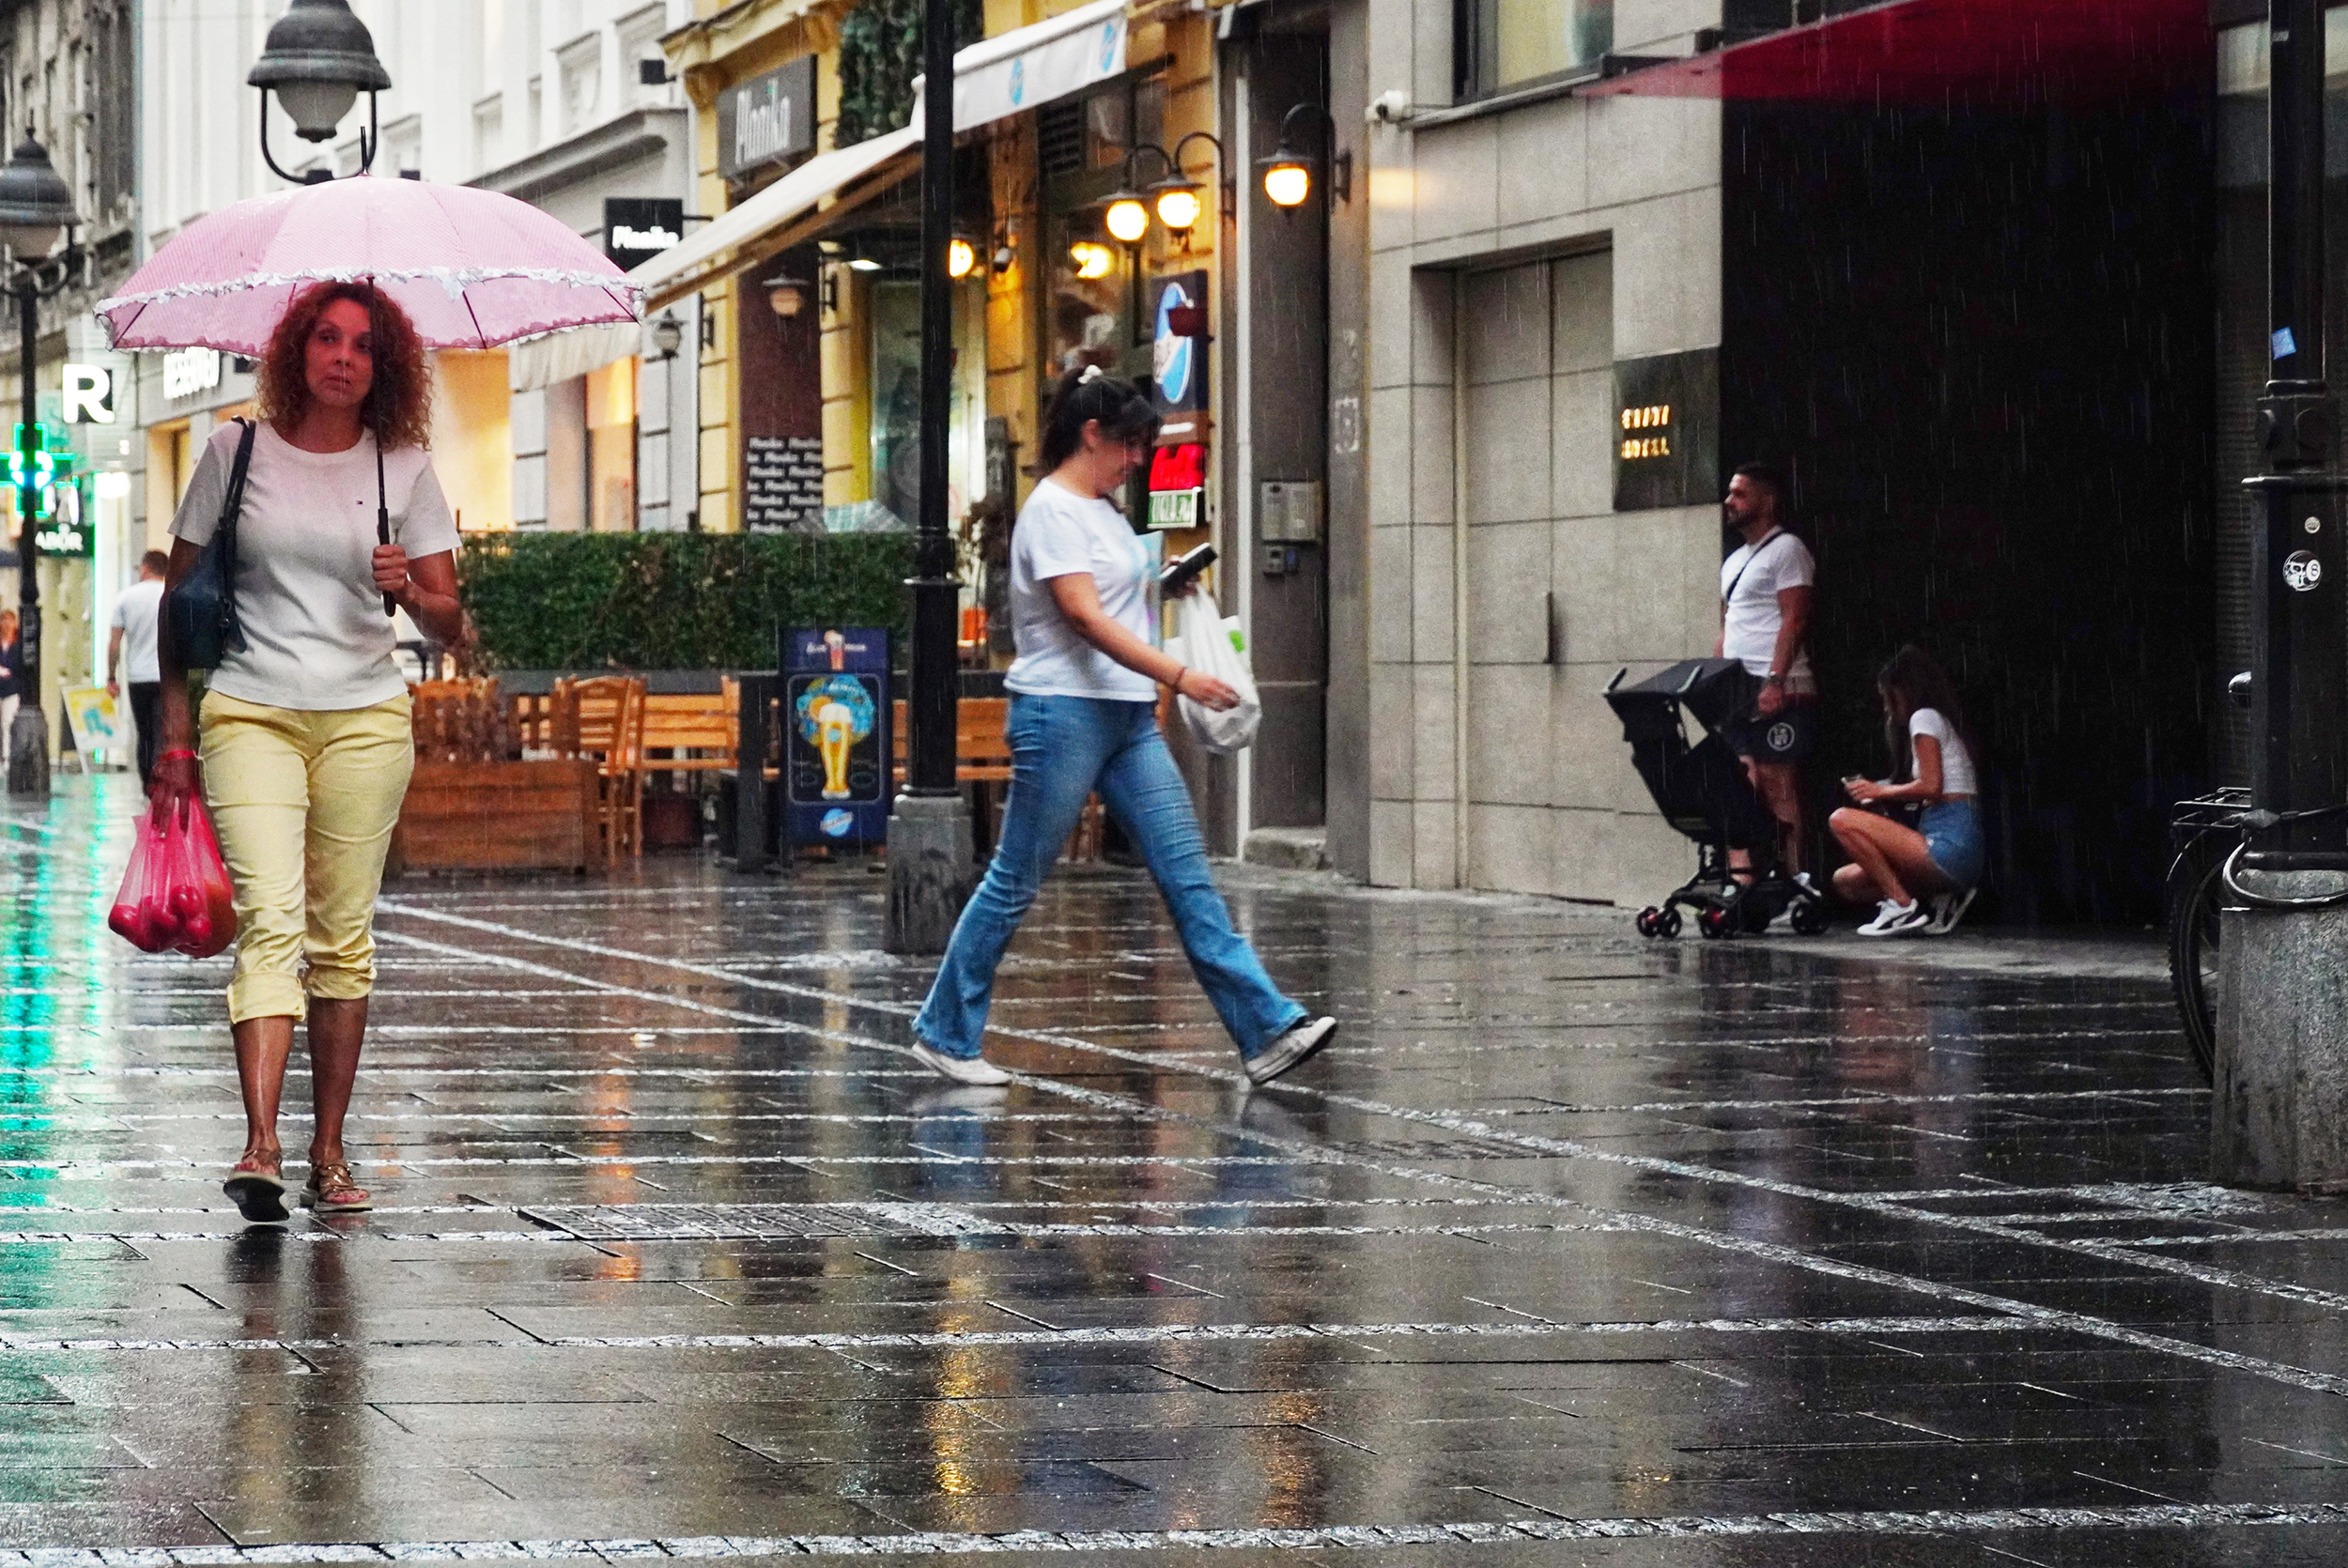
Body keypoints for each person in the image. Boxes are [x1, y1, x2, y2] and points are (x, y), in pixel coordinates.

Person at [909, 367, 1336, 1087]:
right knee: (1015, 879)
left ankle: (1266, 1031)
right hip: (1062, 712)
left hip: (1125, 715)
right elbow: (1081, 615)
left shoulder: (1105, 511)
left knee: (1187, 875)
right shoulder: (1052, 510)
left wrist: (1166, 585)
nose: (1139, 458)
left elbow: (1109, 600)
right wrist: (1179, 675)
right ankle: (946, 1031)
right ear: (1092, 435)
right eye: (1131, 444)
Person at [151, 281, 463, 1223]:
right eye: (325, 338)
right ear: (295, 351)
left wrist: (409, 586)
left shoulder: (402, 467)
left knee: (342, 941)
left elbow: (453, 627)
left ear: (384, 367)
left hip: (365, 719)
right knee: (271, 920)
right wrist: (174, 733)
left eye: (362, 345)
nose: (341, 356)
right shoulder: (230, 449)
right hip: (250, 710)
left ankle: (329, 1149)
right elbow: (180, 599)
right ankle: (261, 1144)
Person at [1829, 644, 1985, 937]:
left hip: (1949, 844)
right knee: (1845, 881)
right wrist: (1882, 789)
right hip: (1951, 846)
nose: (1887, 707)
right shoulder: (1941, 721)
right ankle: (1939, 896)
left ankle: (1902, 906)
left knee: (1841, 820)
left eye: (1888, 698)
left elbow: (1931, 786)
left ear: (1904, 691)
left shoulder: (1924, 716)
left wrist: (1878, 792)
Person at [1716, 462, 1816, 879]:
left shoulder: (1788, 549)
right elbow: (1728, 623)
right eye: (1729, 493)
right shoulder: (1735, 560)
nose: (1729, 501)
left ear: (1768, 500)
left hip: (1779, 684)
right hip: (1738, 688)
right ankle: (1741, 882)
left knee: (1779, 787)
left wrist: (1775, 679)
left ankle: (1797, 881)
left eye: (1739, 494)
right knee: (1738, 781)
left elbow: (1794, 618)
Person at [108, 551, 169, 788]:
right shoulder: (170, 595)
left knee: (145, 733)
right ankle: (163, 780)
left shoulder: (126, 598)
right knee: (163, 731)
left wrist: (111, 676)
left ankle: (148, 785)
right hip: (166, 677)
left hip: (138, 677)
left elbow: (114, 643)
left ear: (145, 568)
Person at [0, 608, 18, 770]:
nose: (6, 624)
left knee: (8, 723)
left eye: (9, 620)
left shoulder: (17, 645)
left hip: (11, 690)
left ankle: (7, 758)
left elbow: (19, 668)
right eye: (3, 620)